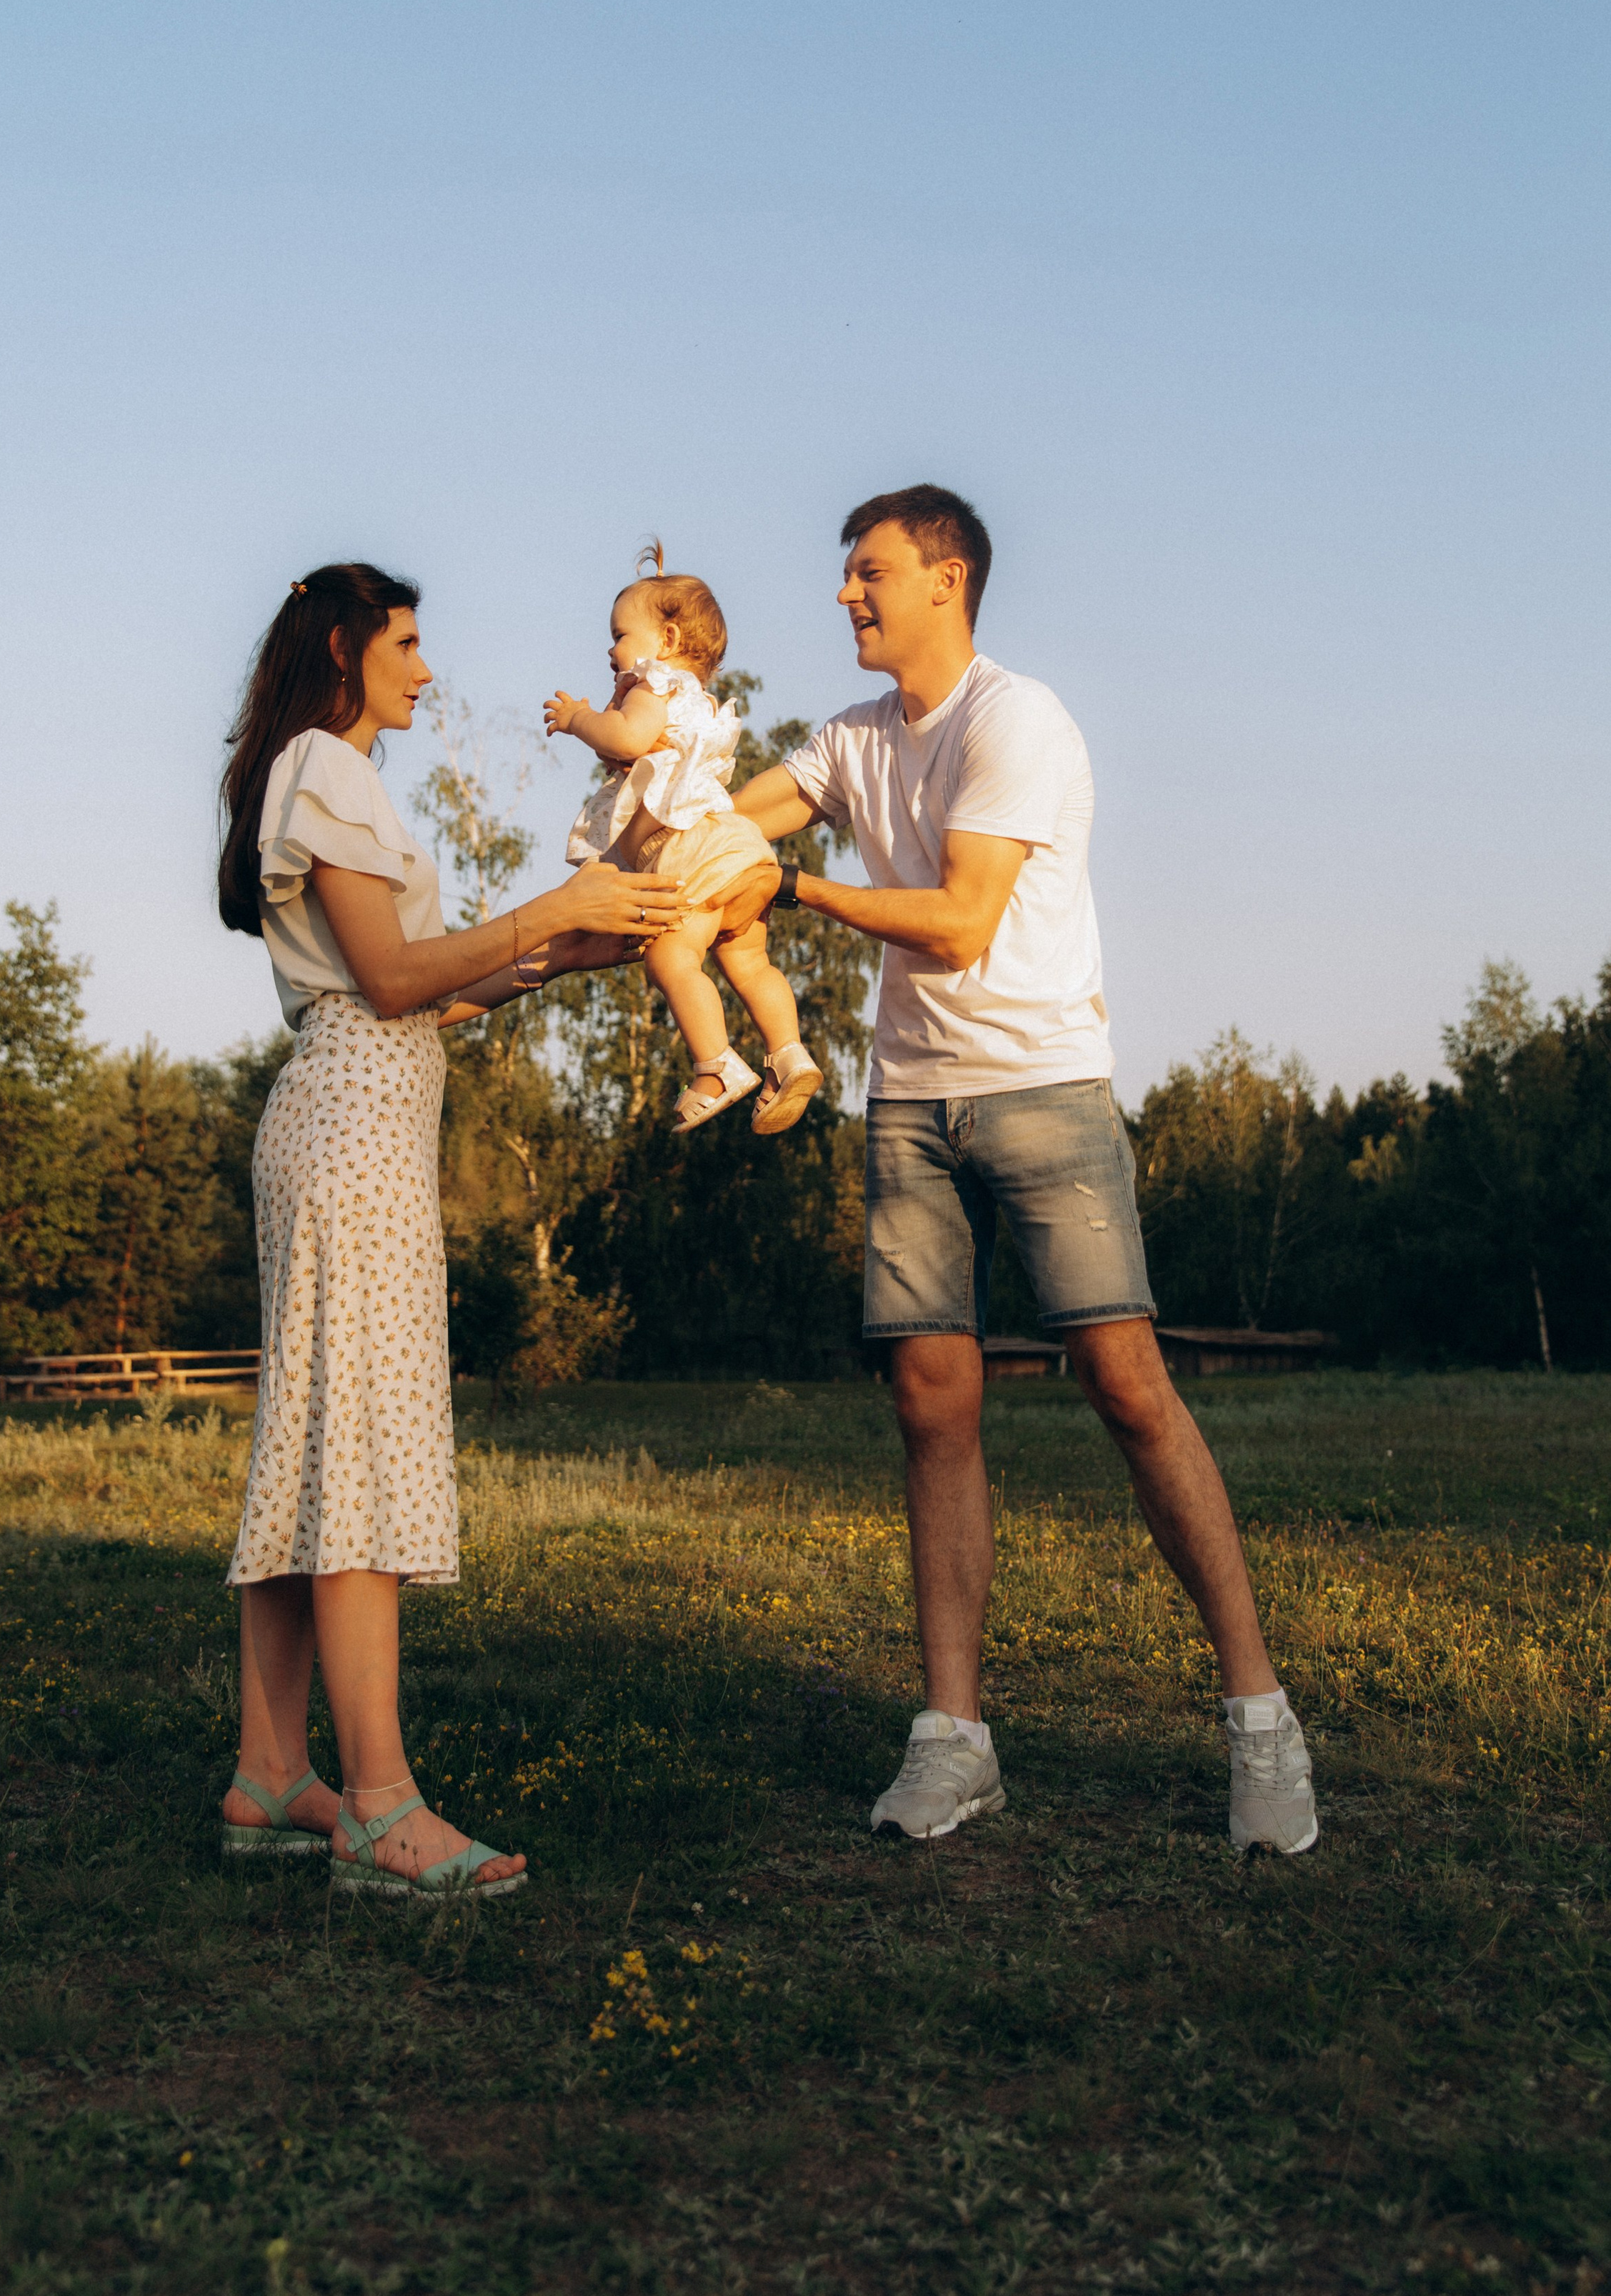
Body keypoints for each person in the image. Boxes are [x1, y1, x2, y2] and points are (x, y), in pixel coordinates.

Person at [732, 486, 1317, 1856]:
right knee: (931, 1402)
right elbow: (723, 822)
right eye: (845, 575)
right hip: (911, 1100)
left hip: (1044, 1087)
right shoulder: (849, 739)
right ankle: (955, 1741)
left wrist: (795, 888)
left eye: (868, 572)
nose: (845, 594)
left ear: (946, 579)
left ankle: (1262, 1719)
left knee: (1126, 1382)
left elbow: (958, 921)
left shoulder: (1017, 720)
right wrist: (650, 761)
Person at [214, 561, 684, 1896]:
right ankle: (378, 1806)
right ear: (343, 647)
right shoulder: (325, 766)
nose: (426, 670)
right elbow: (389, 978)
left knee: (314, 1444)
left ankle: (268, 1775)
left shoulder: (327, 775)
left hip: (355, 1113)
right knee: (356, 1449)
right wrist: (556, 910)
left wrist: (582, 940)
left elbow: (434, 988)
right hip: (351, 1128)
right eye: (408, 644)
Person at [545, 547, 822, 1136]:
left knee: (671, 958)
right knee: (749, 961)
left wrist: (578, 720)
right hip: (740, 849)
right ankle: (789, 1053)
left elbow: (627, 738)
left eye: (620, 635)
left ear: (666, 639)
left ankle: (715, 1067)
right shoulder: (696, 700)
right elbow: (643, 755)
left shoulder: (653, 683)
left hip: (691, 854)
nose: (611, 651)